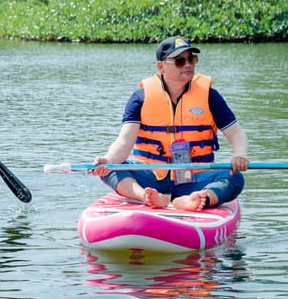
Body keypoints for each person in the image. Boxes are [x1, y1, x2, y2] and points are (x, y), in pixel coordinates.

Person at [90, 36, 249, 211]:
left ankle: (198, 198)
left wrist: (239, 154)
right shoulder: (140, 98)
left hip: (194, 178)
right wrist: (108, 160)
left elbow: (236, 134)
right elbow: (124, 141)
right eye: (180, 61)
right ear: (161, 66)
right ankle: (145, 195)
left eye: (191, 59)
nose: (188, 64)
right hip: (152, 175)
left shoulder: (210, 96)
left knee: (234, 178)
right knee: (112, 168)